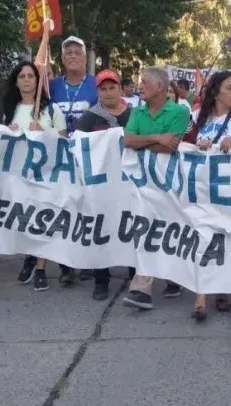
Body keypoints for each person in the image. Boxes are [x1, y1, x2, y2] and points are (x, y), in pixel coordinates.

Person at [182, 70, 231, 320]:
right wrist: (198, 146)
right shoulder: (196, 118)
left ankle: (223, 289)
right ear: (215, 92)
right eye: (229, 87)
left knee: (226, 240)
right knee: (203, 239)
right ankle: (201, 295)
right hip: (203, 191)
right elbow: (183, 146)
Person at [121, 67, 193, 311]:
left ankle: (174, 277)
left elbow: (171, 147)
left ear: (160, 87)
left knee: (173, 227)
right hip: (143, 183)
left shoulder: (180, 112)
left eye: (144, 83)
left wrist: (148, 142)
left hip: (172, 183)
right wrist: (158, 137)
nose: (140, 86)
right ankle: (142, 287)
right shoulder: (137, 110)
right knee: (145, 225)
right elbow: (127, 141)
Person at [5, 61, 69, 292]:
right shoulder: (10, 109)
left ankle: (40, 267)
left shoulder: (51, 110)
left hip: (46, 174)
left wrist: (43, 132)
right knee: (25, 220)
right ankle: (30, 257)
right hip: (19, 174)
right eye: (21, 76)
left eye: (30, 76)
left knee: (42, 219)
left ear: (38, 80)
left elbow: (64, 138)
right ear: (16, 81)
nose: (26, 80)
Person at [76, 69, 135, 301]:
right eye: (103, 89)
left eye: (112, 87)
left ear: (120, 89)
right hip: (102, 187)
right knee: (101, 230)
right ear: (97, 92)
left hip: (129, 184)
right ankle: (102, 280)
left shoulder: (134, 115)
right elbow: (76, 147)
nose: (108, 92)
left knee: (131, 229)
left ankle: (135, 276)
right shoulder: (89, 118)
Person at [48, 36, 97, 283]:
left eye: (77, 52)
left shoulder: (96, 84)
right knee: (63, 207)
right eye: (68, 53)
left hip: (88, 156)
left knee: (87, 207)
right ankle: (65, 264)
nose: (73, 56)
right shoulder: (52, 86)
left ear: (85, 56)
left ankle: (88, 260)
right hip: (59, 156)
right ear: (62, 58)